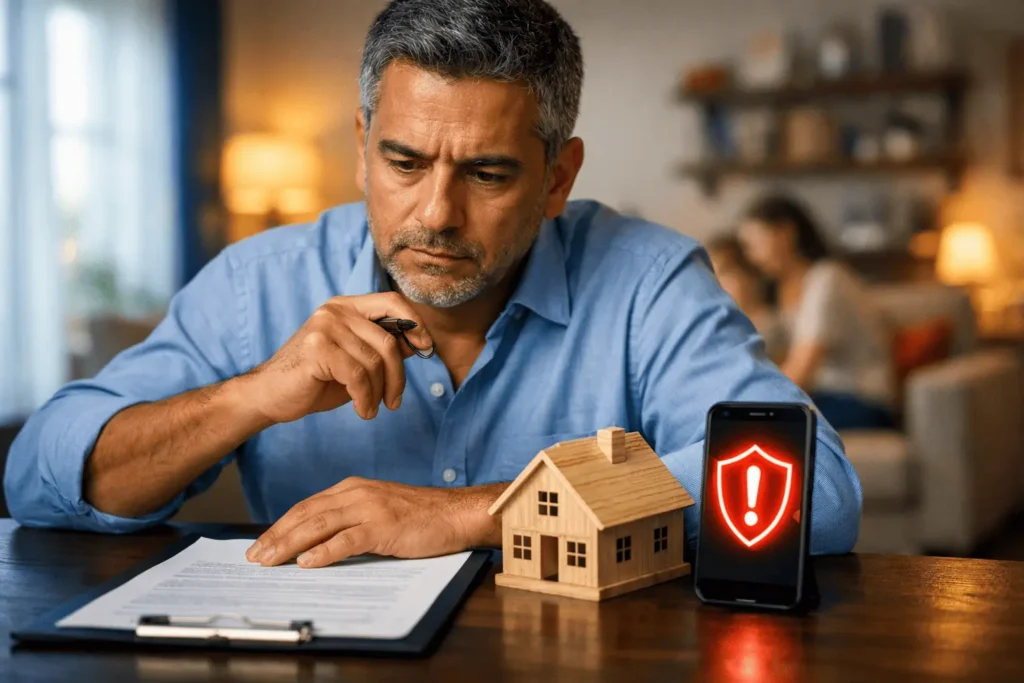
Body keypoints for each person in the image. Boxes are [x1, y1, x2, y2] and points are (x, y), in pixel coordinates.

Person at [4, 0, 861, 568]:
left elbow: (814, 485)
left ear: (558, 177)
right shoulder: (255, 285)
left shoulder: (647, 278)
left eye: (487, 173)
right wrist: (251, 397)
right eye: (404, 162)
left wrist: (482, 512)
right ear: (361, 145)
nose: (437, 214)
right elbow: (41, 473)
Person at [739, 194, 895, 430]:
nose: (752, 257)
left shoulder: (827, 278)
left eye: (755, 244)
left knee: (750, 424)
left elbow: (802, 369)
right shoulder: (785, 290)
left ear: (785, 234)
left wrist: (746, 407)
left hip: (862, 402)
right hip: (825, 397)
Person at [705, 234, 787, 364]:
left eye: (725, 272)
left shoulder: (772, 327)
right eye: (712, 275)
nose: (718, 283)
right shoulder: (718, 325)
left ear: (751, 273)